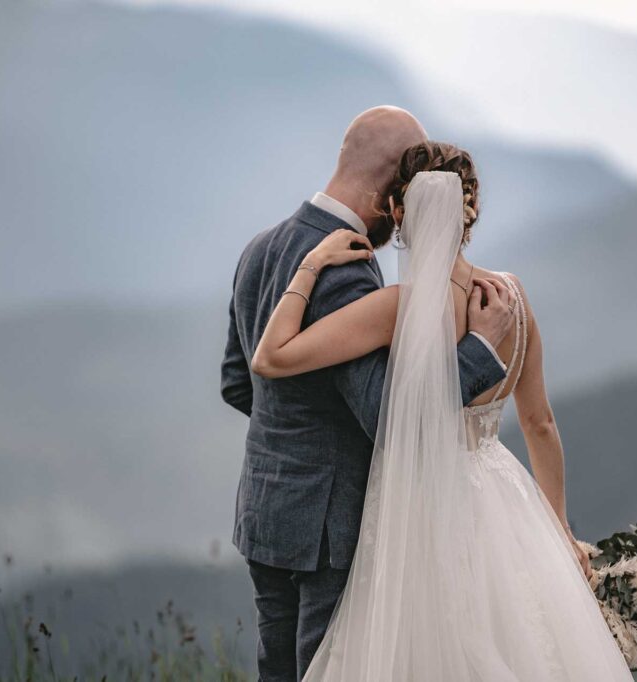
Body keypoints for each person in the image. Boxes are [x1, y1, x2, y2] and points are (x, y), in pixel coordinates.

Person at [251, 141, 635, 679]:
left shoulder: (397, 306)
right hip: (504, 498)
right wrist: (560, 530)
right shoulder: (512, 296)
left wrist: (310, 265)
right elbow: (540, 423)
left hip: (421, 506)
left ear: (398, 213)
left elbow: (271, 357)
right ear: (470, 209)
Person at [220, 108, 516, 682]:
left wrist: (292, 437)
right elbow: (387, 413)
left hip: (262, 507)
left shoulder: (260, 246)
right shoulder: (350, 269)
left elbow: (239, 382)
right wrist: (480, 349)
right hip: (326, 527)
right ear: (387, 191)